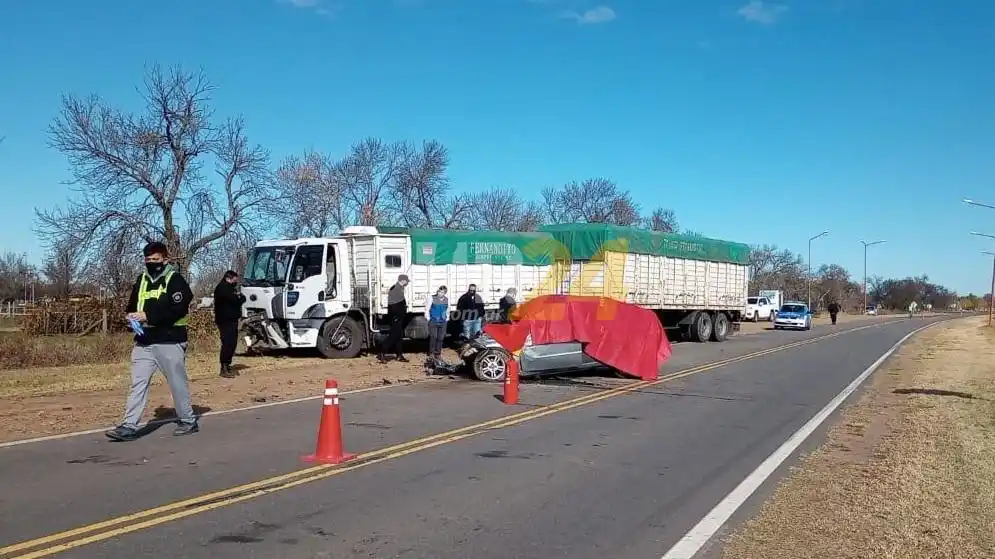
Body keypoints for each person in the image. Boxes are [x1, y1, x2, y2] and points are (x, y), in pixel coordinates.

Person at [105, 242, 197, 442]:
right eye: (148, 260)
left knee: (176, 383)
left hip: (170, 341)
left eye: (155, 260)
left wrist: (147, 315)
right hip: (144, 342)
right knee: (138, 384)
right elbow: (132, 305)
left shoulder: (176, 281)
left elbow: (178, 309)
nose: (151, 263)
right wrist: (131, 317)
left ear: (165, 259)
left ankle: (188, 420)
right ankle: (129, 425)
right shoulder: (141, 280)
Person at [213, 270, 245, 379]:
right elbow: (236, 300)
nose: (235, 282)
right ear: (228, 278)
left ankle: (228, 364)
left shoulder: (231, 289)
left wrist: (240, 297)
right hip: (225, 320)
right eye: (234, 280)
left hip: (232, 319)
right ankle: (224, 367)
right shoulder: (222, 289)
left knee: (232, 343)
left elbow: (241, 298)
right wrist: (239, 297)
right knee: (227, 343)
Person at [379, 274, 409, 363]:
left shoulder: (398, 288)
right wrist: (395, 317)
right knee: (393, 336)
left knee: (399, 336)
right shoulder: (396, 289)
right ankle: (382, 352)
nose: (407, 283)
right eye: (406, 281)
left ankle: (399, 355)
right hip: (396, 318)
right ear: (403, 280)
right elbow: (392, 305)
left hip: (399, 317)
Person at [423, 285, 449, 365]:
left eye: (442, 292)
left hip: (443, 321)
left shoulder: (446, 299)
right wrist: (428, 318)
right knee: (433, 337)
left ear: (444, 293)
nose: (440, 293)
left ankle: (438, 354)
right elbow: (427, 309)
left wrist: (447, 318)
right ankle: (431, 353)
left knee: (440, 338)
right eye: (439, 291)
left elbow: (448, 309)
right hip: (433, 321)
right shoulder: (432, 298)